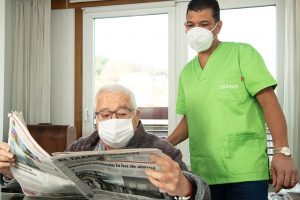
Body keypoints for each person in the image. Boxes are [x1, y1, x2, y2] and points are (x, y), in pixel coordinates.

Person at [166, 0, 298, 199]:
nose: (196, 30)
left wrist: (283, 151)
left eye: (203, 24)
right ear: (185, 27)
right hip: (205, 173)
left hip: (246, 171)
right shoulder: (187, 73)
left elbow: (269, 102)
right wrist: (162, 147)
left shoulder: (242, 54)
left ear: (218, 26)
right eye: (191, 25)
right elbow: (191, 120)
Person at [0, 84, 210, 200]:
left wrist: (186, 188)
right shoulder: (80, 147)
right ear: (97, 119)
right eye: (106, 115)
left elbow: (200, 192)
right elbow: (46, 184)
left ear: (136, 116)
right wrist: (11, 170)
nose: (113, 121)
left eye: (121, 113)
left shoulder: (163, 150)